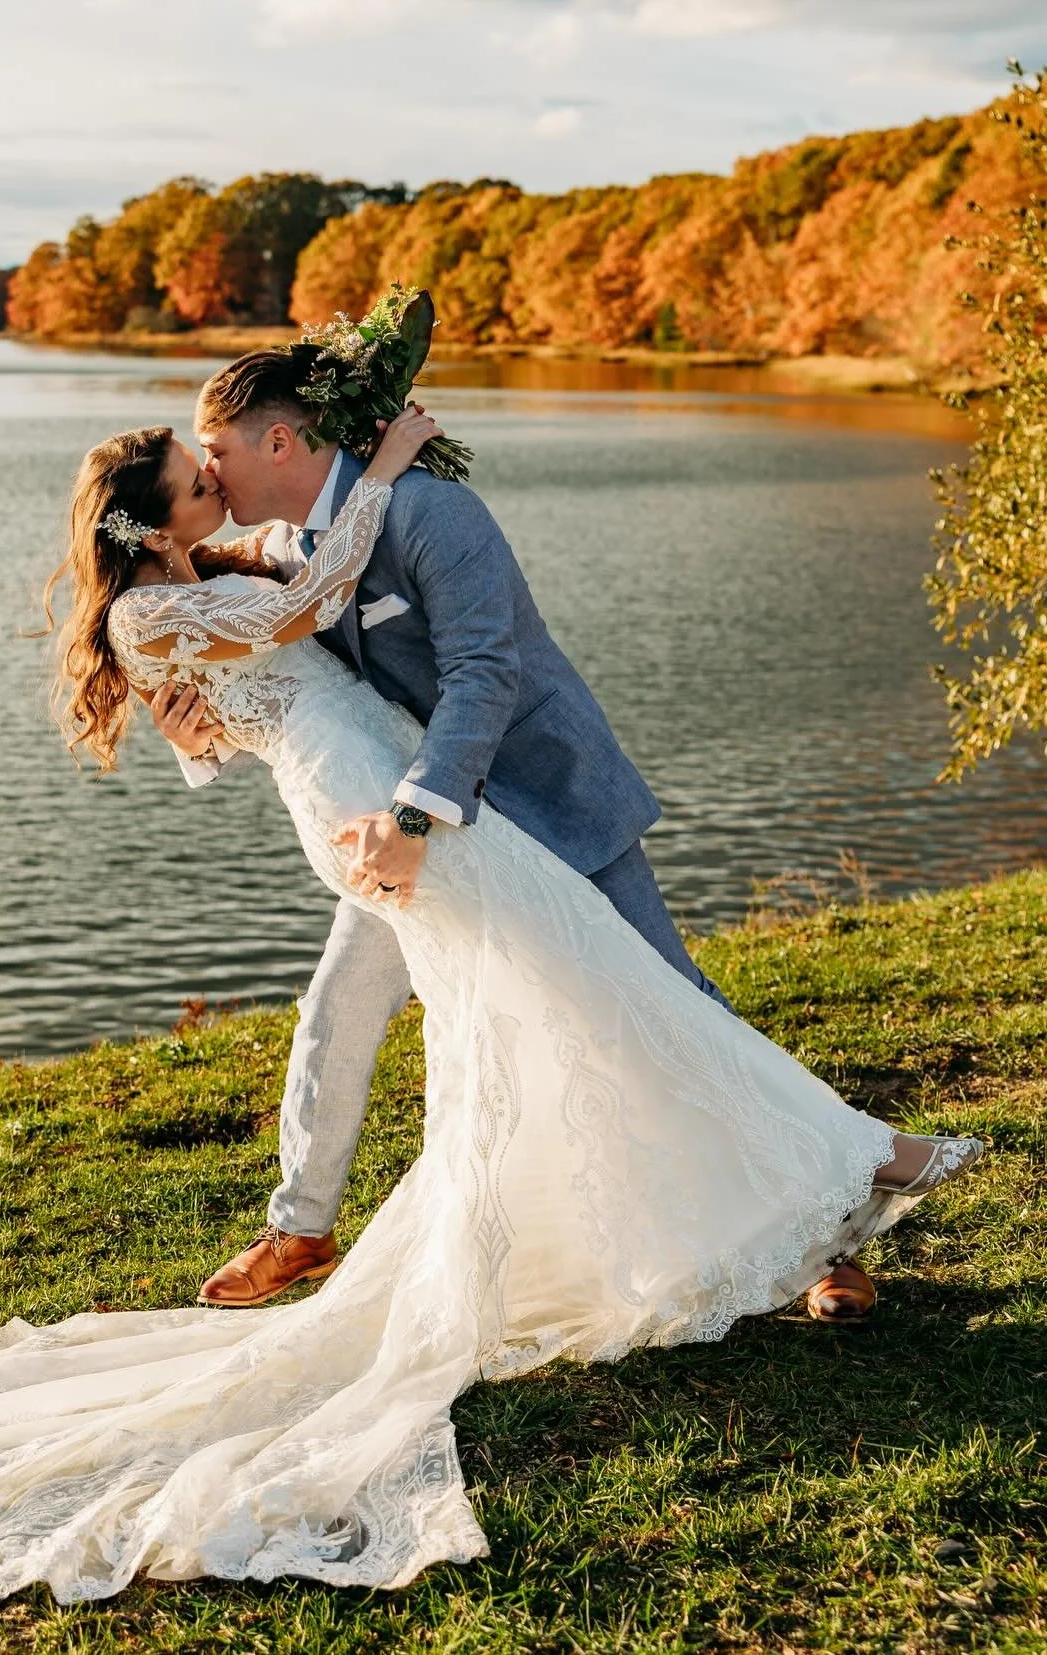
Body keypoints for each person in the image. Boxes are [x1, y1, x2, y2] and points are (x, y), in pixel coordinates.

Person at [0, 401, 980, 1601]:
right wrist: (384, 467)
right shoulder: (161, 609)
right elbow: (305, 615)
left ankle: (798, 1181)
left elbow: (230, 714)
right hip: (372, 805)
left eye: (215, 455)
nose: (212, 472)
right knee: (587, 983)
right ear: (146, 515)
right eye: (192, 466)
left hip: (397, 786)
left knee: (573, 990)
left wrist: (236, 681)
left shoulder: (205, 573)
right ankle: (859, 1158)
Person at [154, 347, 879, 1324]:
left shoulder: (428, 511)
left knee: (675, 1006)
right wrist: (206, 712)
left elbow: (484, 674)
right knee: (339, 1009)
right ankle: (303, 1227)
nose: (209, 472)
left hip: (542, 800)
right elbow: (304, 690)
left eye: (215, 450)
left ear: (276, 437)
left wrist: (414, 815)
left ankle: (829, 1235)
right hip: (424, 840)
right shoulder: (288, 551)